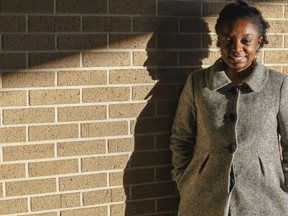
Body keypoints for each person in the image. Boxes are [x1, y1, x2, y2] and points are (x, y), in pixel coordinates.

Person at [169, 0, 288, 215]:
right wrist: (184, 179)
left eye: (246, 40)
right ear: (219, 41)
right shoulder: (198, 83)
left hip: (265, 200)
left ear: (258, 42)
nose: (237, 48)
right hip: (203, 198)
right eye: (228, 40)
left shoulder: (278, 85)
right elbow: (181, 136)